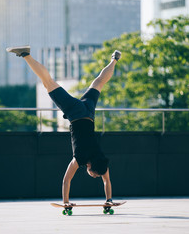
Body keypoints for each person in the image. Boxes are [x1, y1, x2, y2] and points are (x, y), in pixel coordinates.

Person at [6, 46, 121, 206]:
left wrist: (109, 199)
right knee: (48, 83)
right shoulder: (80, 158)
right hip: (75, 112)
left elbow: (106, 182)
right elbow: (66, 180)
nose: (95, 176)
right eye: (95, 174)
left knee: (99, 83)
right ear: (91, 166)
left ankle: (114, 59)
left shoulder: (101, 159)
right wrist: (66, 202)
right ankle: (26, 54)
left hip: (89, 113)